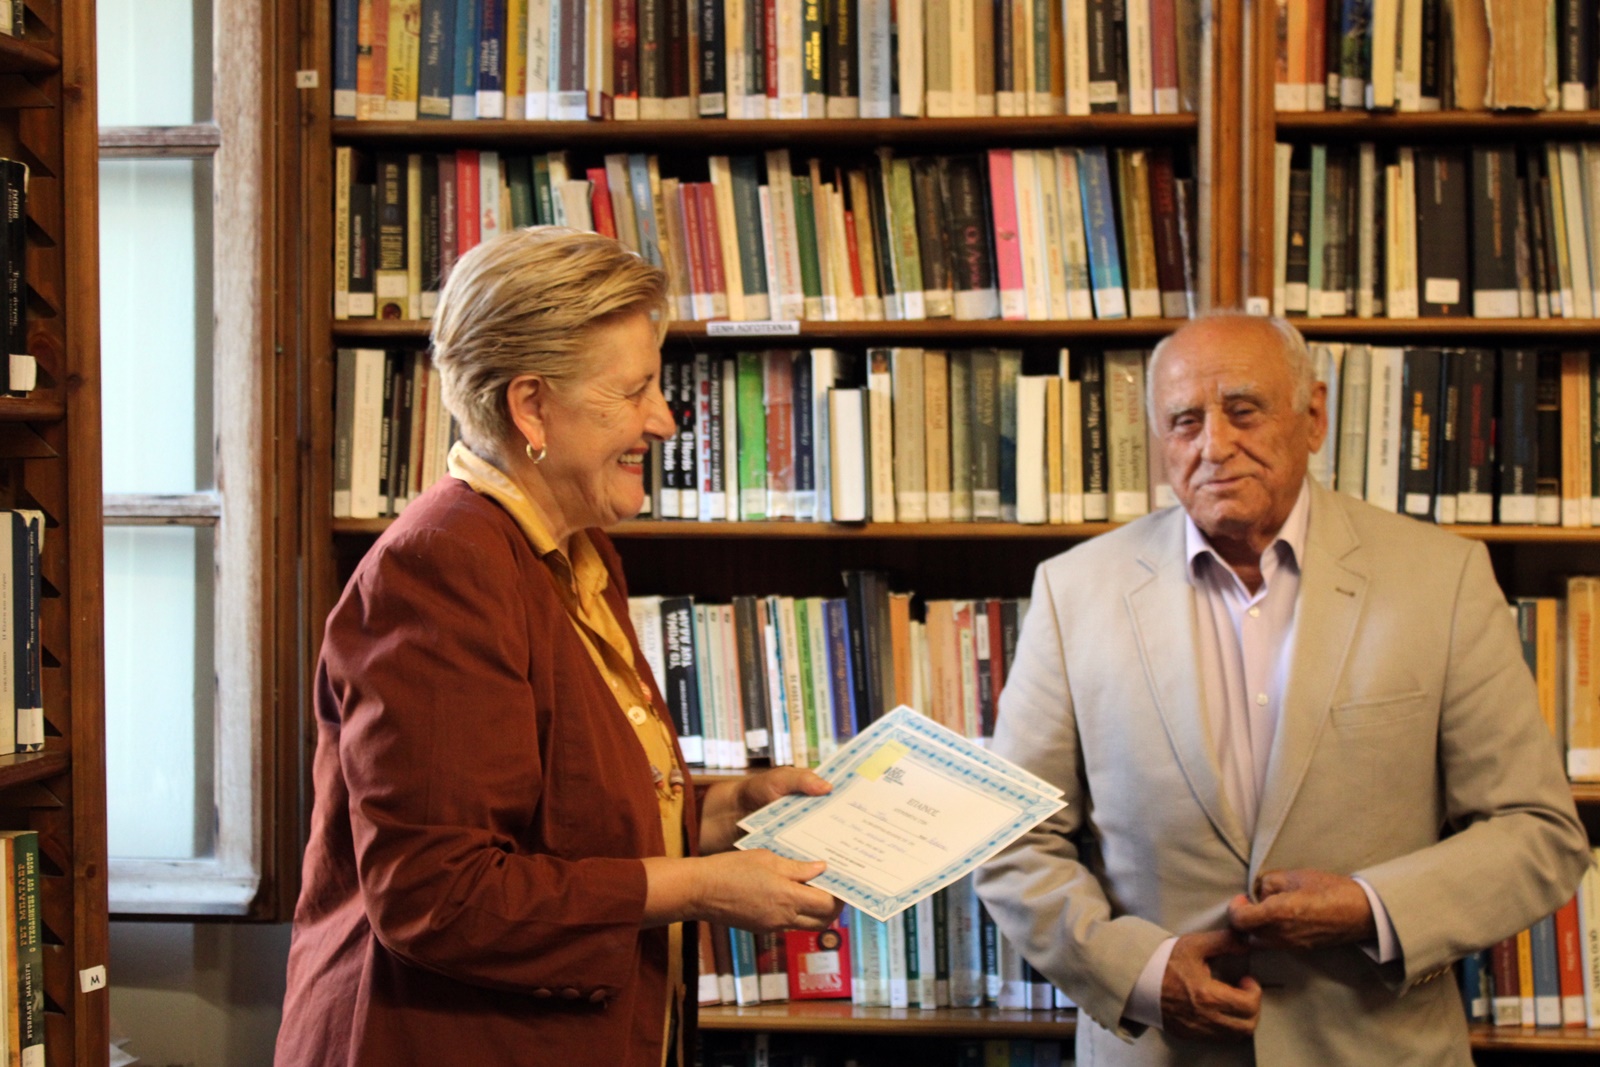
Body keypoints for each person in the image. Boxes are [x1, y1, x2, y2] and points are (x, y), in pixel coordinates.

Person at [275, 227, 841, 1067]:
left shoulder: (577, 550)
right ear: (531, 406)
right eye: (635, 390)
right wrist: (701, 888)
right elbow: (439, 893)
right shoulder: (443, 566)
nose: (664, 419)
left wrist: (728, 811)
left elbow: (568, 813)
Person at [976, 312, 1591, 1066]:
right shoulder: (1073, 591)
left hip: (1377, 1047)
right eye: (1185, 421)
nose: (1214, 445)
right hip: (1164, 1051)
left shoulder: (1443, 578)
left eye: (1243, 411)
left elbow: (1537, 830)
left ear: (1314, 416)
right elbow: (1011, 840)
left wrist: (1371, 908)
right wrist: (1139, 973)